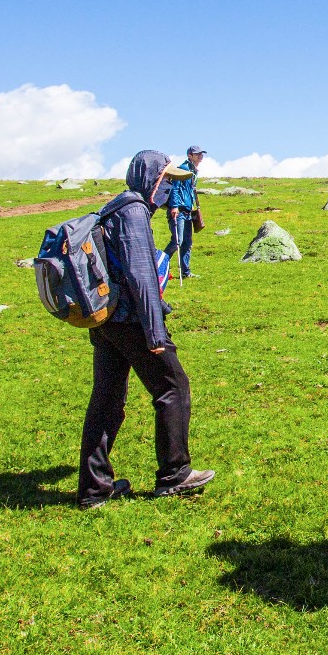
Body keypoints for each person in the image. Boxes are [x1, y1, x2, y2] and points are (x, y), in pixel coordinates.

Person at [77, 149, 215, 507]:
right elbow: (141, 275)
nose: (169, 187)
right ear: (151, 178)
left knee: (106, 402)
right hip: (131, 320)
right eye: (166, 180)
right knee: (173, 387)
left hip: (107, 321)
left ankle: (94, 489)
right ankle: (175, 474)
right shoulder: (134, 211)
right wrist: (156, 334)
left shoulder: (114, 207)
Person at [159, 145, 207, 280]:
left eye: (201, 154)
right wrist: (174, 206)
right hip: (178, 210)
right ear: (190, 155)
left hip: (187, 211)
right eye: (197, 154)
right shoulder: (182, 169)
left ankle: (186, 272)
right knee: (177, 241)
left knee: (187, 242)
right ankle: (159, 267)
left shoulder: (193, 171)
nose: (200, 156)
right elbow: (175, 188)